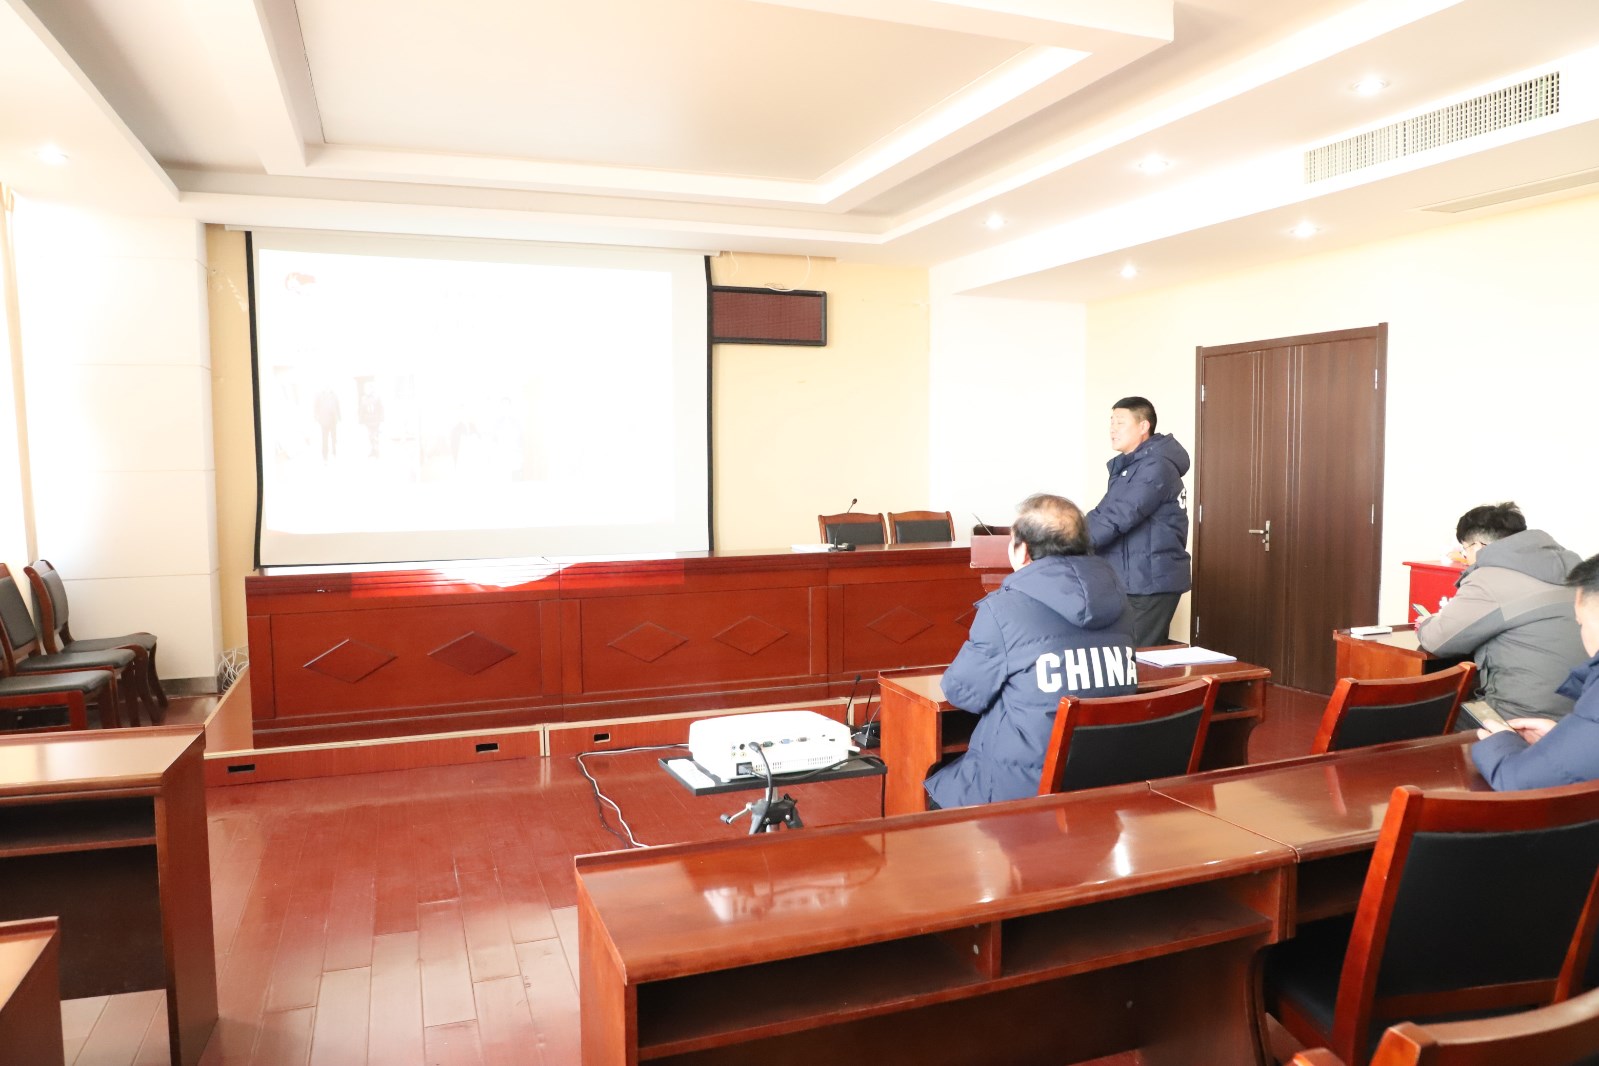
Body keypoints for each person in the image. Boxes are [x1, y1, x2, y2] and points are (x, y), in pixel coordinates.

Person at [925, 493, 1137, 809]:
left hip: (1021, 791)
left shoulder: (1003, 609)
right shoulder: (1122, 604)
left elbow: (961, 693)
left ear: (1022, 550)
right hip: (1103, 783)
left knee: (934, 786)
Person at [1416, 502, 1585, 725]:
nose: (1466, 559)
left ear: (1477, 546)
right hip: (1581, 713)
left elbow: (1438, 640)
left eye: (1464, 550)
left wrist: (1427, 622)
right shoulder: (1576, 571)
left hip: (1521, 717)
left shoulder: (1489, 577)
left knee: (1427, 719)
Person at [1471, 553, 1599, 790]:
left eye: (1580, 623)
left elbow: (1515, 781)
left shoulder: (1482, 582)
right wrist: (1563, 739)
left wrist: (1502, 742)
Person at [1083, 396, 1191, 648]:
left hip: (1149, 581)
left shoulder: (1155, 467)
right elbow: (1104, 514)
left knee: (1138, 656)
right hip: (1136, 579)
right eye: (1111, 422)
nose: (1112, 429)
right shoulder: (1133, 467)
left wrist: (1067, 541)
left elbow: (1117, 516)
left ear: (1143, 426)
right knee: (1128, 654)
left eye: (1120, 422)